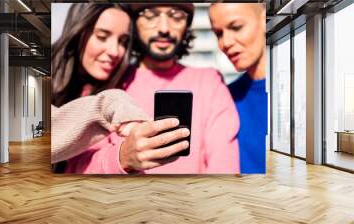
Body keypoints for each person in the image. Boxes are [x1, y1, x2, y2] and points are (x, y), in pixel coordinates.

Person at [66, 3, 240, 174]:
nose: (164, 28)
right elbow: (77, 169)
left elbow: (224, 166)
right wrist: (122, 158)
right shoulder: (105, 83)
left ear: (187, 26)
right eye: (150, 15)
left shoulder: (210, 82)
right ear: (134, 23)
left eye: (176, 15)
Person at [51, 3, 149, 172]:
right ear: (77, 33)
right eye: (102, 37)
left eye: (123, 42)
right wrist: (109, 104)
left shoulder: (128, 83)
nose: (115, 51)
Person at [209, 3, 267, 174]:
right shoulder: (223, 98)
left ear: (264, 19)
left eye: (236, 27)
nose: (225, 43)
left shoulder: (298, 93)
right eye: (218, 33)